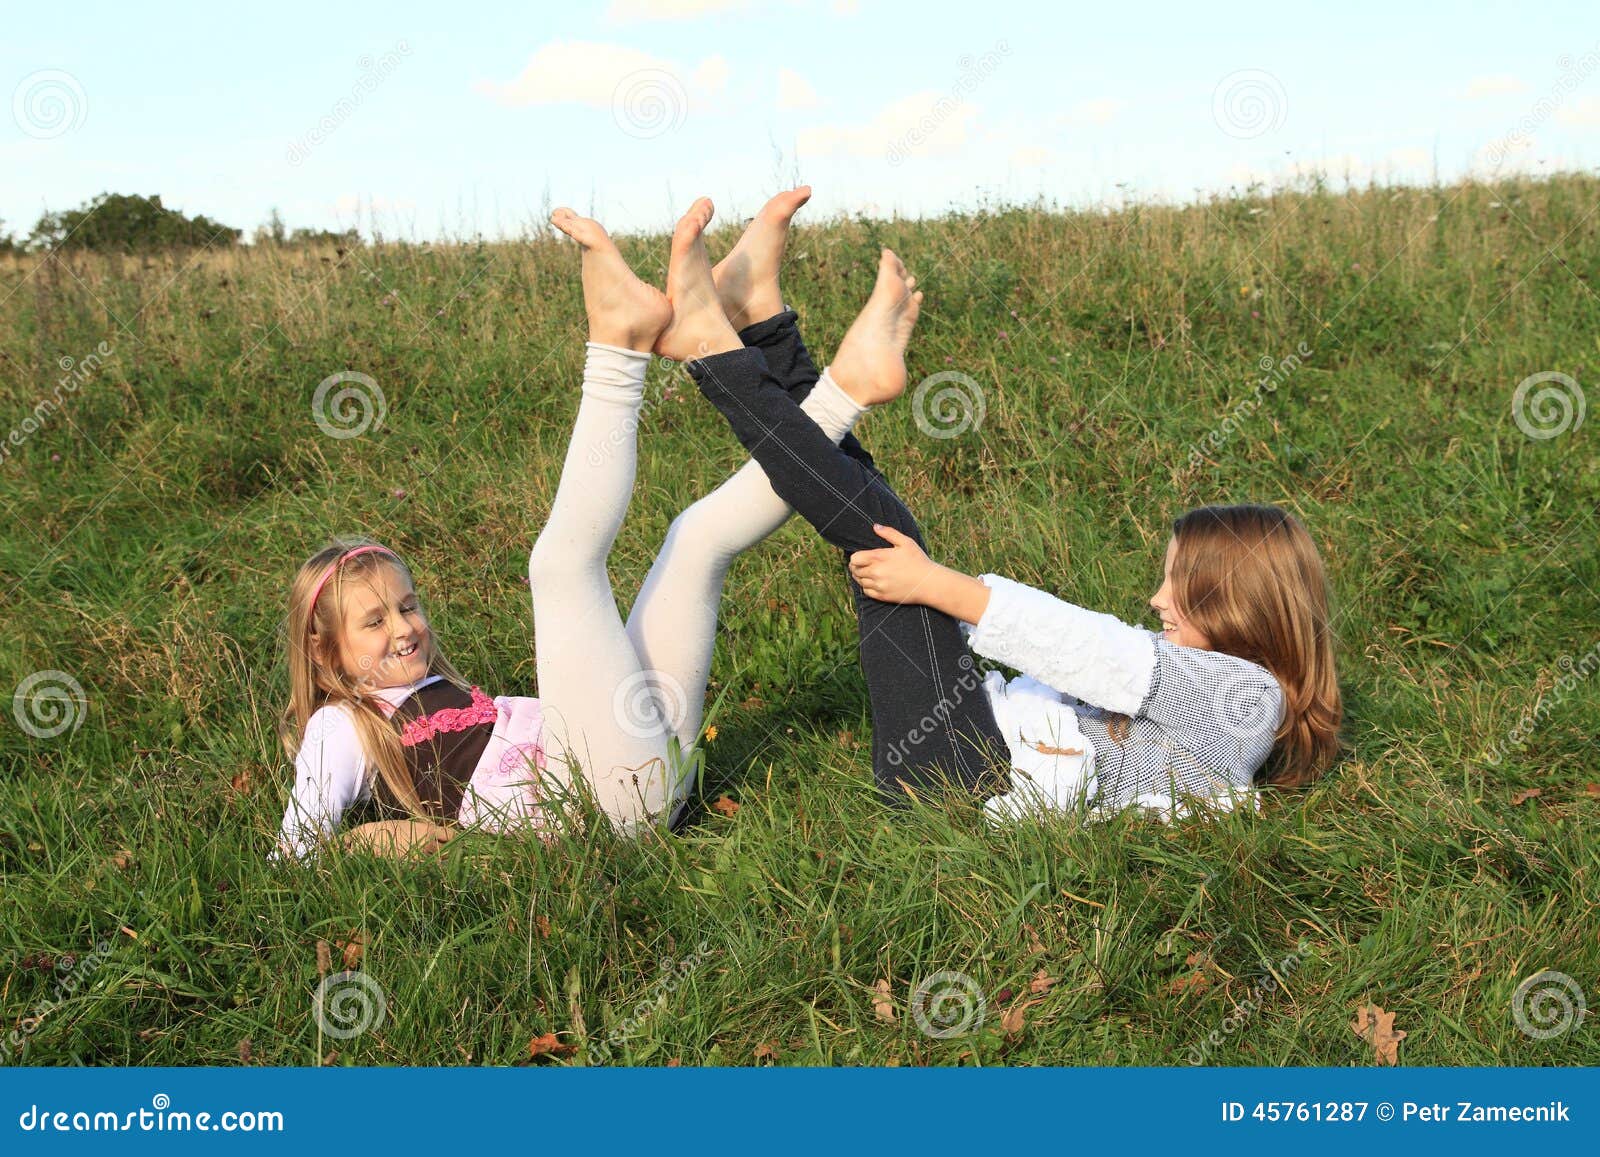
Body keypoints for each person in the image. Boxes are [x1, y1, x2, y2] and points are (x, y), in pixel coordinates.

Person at [655, 197, 1343, 820]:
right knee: (881, 529)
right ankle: (761, 331)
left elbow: (1091, 648)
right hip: (973, 753)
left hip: (965, 778)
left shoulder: (1249, 701)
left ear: (1239, 597)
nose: (1158, 596)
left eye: (1180, 583)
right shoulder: (1236, 694)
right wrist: (935, 586)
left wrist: (942, 589)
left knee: (877, 533)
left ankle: (726, 349)